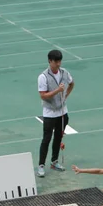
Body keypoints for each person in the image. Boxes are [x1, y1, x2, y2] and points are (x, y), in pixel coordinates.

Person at [37, 49, 75, 178]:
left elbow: (72, 83)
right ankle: (41, 165)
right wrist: (57, 91)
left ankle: (54, 162)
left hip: (63, 112)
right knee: (46, 139)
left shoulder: (65, 73)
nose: (58, 64)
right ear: (50, 61)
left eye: (59, 61)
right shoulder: (43, 77)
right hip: (49, 113)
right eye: (56, 61)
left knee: (58, 137)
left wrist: (66, 96)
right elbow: (43, 95)